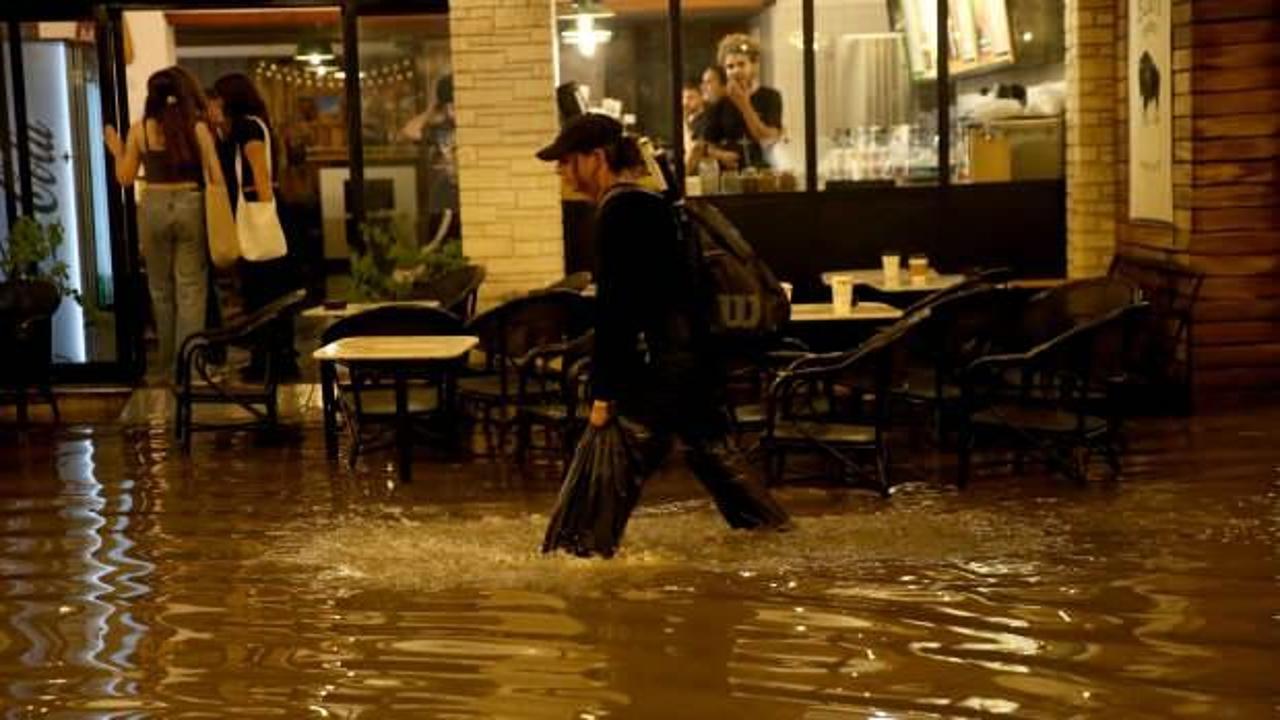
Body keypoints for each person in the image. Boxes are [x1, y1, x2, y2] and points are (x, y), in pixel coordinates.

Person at [536, 113, 791, 534]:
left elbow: (618, 309)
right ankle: (779, 544)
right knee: (715, 456)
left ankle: (578, 556)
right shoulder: (654, 205)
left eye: (566, 161)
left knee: (610, 464)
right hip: (691, 363)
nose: (562, 173)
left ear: (596, 158)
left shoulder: (620, 212)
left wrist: (603, 394)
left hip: (659, 371)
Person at [104, 68, 226, 384]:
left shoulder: (139, 130)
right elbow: (215, 175)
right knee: (191, 289)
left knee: (160, 290)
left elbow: (125, 178)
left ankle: (166, 365)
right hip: (189, 203)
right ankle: (190, 368)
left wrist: (117, 150)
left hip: (153, 207)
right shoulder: (196, 128)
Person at [212, 73, 301, 381]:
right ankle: (276, 357)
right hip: (266, 214)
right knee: (271, 290)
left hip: (260, 215)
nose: (215, 104)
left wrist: (262, 213)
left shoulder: (247, 127)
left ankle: (269, 361)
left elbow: (260, 176)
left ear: (231, 98)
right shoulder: (254, 124)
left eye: (219, 98)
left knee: (264, 291)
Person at [703, 33, 784, 170]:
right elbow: (708, 145)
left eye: (741, 64)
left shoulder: (770, 96)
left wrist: (744, 104)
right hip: (731, 174)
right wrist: (721, 155)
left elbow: (767, 138)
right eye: (730, 67)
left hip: (764, 171)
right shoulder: (721, 102)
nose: (736, 71)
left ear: (754, 65)